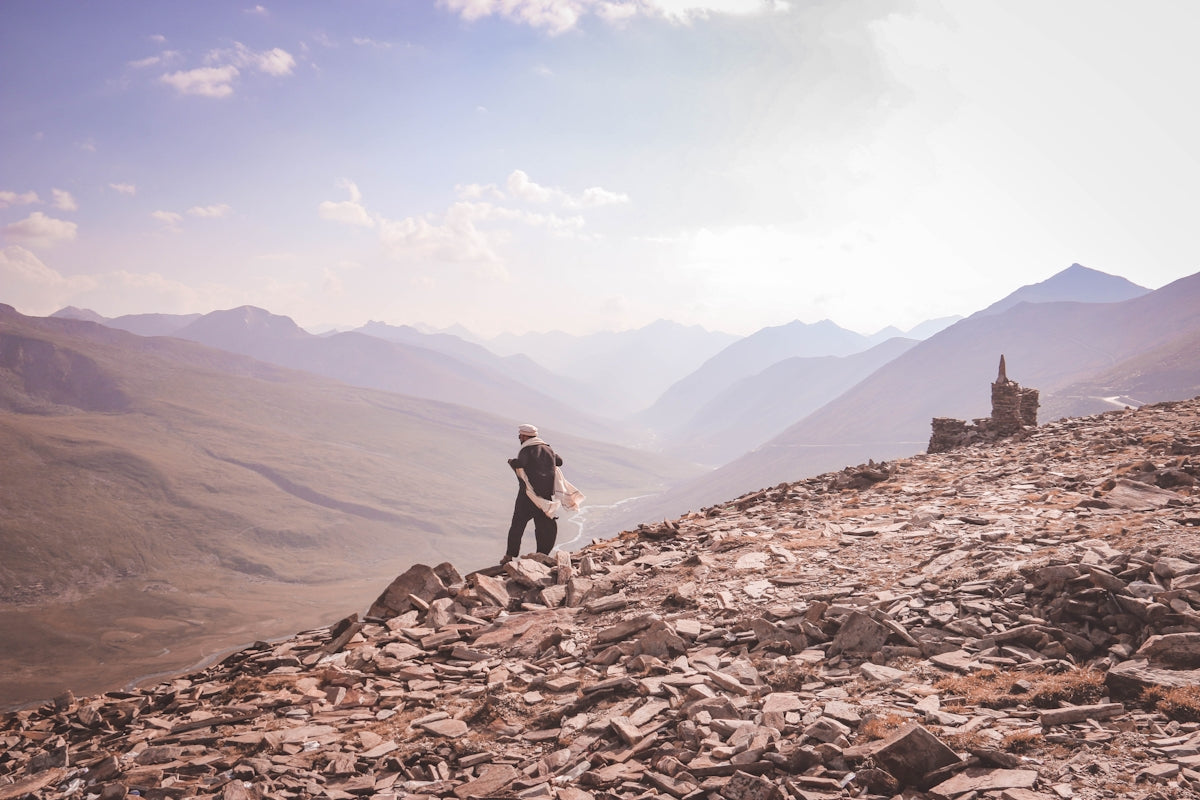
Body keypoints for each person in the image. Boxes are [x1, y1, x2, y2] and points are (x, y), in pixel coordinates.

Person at [503, 423, 562, 563]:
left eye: (520, 436)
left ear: (524, 436)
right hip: (545, 497)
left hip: (527, 496)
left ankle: (509, 556)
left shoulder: (526, 449)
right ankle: (542, 555)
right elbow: (559, 461)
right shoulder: (548, 448)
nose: (520, 439)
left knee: (517, 525)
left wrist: (511, 461)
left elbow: (520, 463)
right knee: (545, 527)